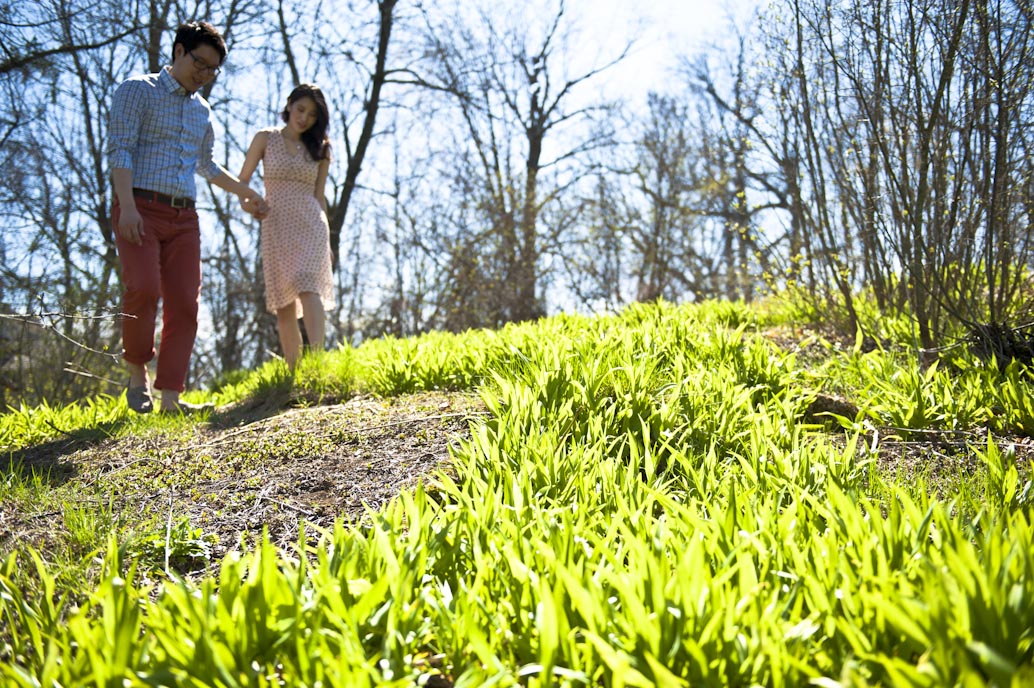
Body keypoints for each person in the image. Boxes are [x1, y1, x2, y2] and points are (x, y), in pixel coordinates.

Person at [108, 21, 269, 414]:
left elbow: (207, 166)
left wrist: (246, 191)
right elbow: (120, 149)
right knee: (143, 288)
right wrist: (126, 205)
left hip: (185, 218)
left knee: (185, 303)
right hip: (139, 207)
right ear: (179, 51)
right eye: (200, 63)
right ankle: (136, 374)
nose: (205, 74)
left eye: (213, 70)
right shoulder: (136, 90)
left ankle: (170, 398)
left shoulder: (203, 111)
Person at [238, 84, 335, 370]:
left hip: (311, 225)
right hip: (276, 225)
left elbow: (320, 197)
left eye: (313, 115)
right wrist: (250, 205)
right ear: (290, 105)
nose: (304, 118)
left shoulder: (322, 150)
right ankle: (294, 374)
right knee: (284, 304)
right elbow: (242, 185)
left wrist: (328, 243)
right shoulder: (265, 139)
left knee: (308, 286)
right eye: (301, 109)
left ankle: (317, 365)